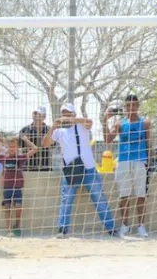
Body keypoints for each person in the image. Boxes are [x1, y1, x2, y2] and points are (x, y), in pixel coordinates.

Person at [42, 103, 117, 238]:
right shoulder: (58, 132)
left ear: (74, 114)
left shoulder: (81, 126)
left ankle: (111, 229)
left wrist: (70, 120)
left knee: (99, 198)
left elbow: (89, 122)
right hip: (70, 170)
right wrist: (54, 125)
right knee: (67, 200)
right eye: (63, 113)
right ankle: (62, 230)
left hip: (88, 169)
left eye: (68, 113)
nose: (65, 116)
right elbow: (45, 144)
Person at [104, 94, 150, 238]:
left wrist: (149, 162)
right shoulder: (119, 123)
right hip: (123, 161)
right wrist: (105, 120)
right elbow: (108, 140)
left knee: (141, 195)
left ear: (138, 106)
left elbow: (149, 143)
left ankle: (141, 226)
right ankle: (125, 225)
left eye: (133, 105)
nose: (130, 108)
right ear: (125, 107)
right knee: (124, 195)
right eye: (128, 105)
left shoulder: (145, 123)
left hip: (140, 160)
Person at [0, 133, 37, 236]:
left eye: (14, 146)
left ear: (17, 147)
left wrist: (26, 140)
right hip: (7, 187)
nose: (12, 148)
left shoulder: (20, 158)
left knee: (18, 206)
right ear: (6, 147)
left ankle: (17, 225)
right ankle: (9, 230)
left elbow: (35, 149)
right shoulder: (3, 158)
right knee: (7, 207)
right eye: (10, 146)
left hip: (17, 187)